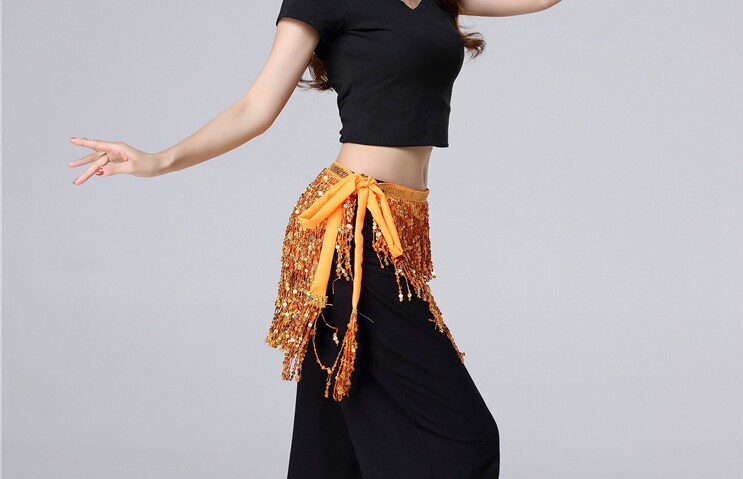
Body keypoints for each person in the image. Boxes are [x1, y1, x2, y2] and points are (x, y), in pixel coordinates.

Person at [67, 0, 563, 476]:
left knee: (334, 443)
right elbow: (255, 108)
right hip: (350, 232)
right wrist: (158, 161)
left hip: (400, 228)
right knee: (465, 437)